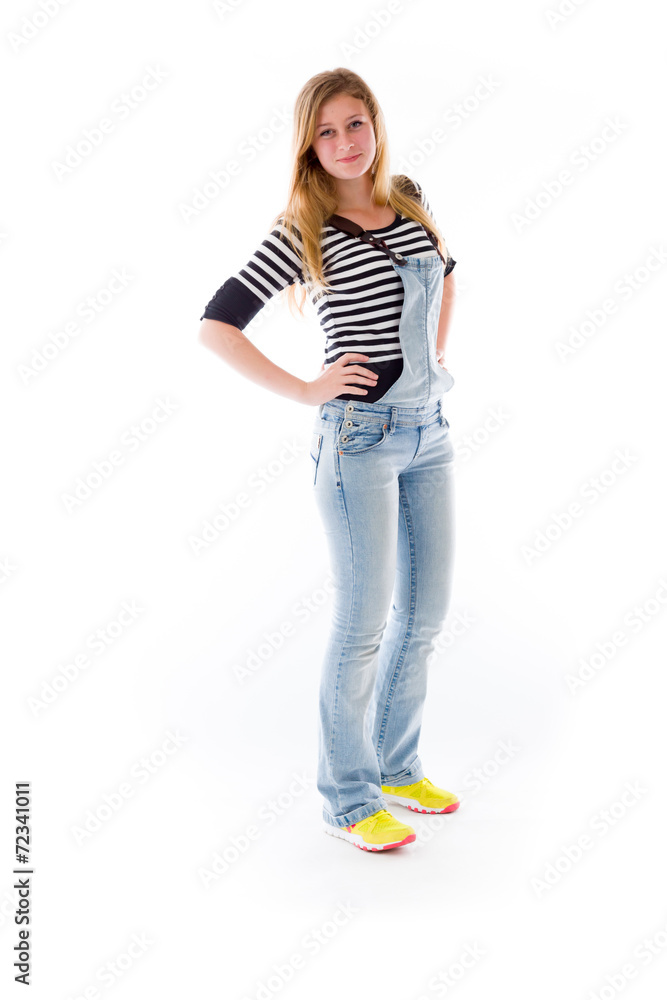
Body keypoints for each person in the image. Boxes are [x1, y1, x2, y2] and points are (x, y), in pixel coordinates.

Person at [198, 68, 460, 852]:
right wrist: (308, 389)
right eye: (325, 132)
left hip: (430, 431)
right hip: (357, 442)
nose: (344, 143)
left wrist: (430, 363)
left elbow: (446, 280)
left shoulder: (409, 196)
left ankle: (396, 767)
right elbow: (217, 325)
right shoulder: (303, 228)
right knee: (361, 625)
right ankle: (346, 801)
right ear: (308, 146)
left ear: (374, 124)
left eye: (355, 124)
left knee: (425, 615)